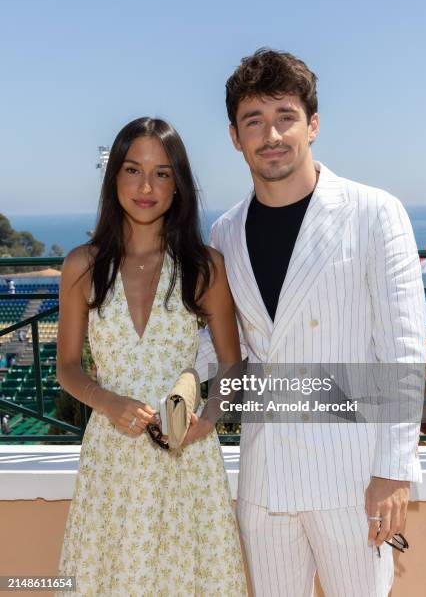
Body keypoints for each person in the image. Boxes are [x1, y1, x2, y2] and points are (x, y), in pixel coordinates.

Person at [195, 49, 426, 596]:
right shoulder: (225, 233)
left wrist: (394, 470)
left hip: (353, 477)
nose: (271, 134)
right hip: (266, 477)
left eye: (285, 116)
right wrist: (185, 394)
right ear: (235, 136)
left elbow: (402, 348)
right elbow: (224, 345)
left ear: (312, 124)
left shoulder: (375, 212)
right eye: (254, 121)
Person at [56, 118, 247, 596]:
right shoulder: (82, 265)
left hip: (185, 459)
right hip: (111, 460)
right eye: (133, 170)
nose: (146, 186)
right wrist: (109, 402)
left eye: (162, 173)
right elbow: (67, 368)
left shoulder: (204, 267)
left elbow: (232, 364)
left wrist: (206, 420)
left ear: (178, 183)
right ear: (113, 178)